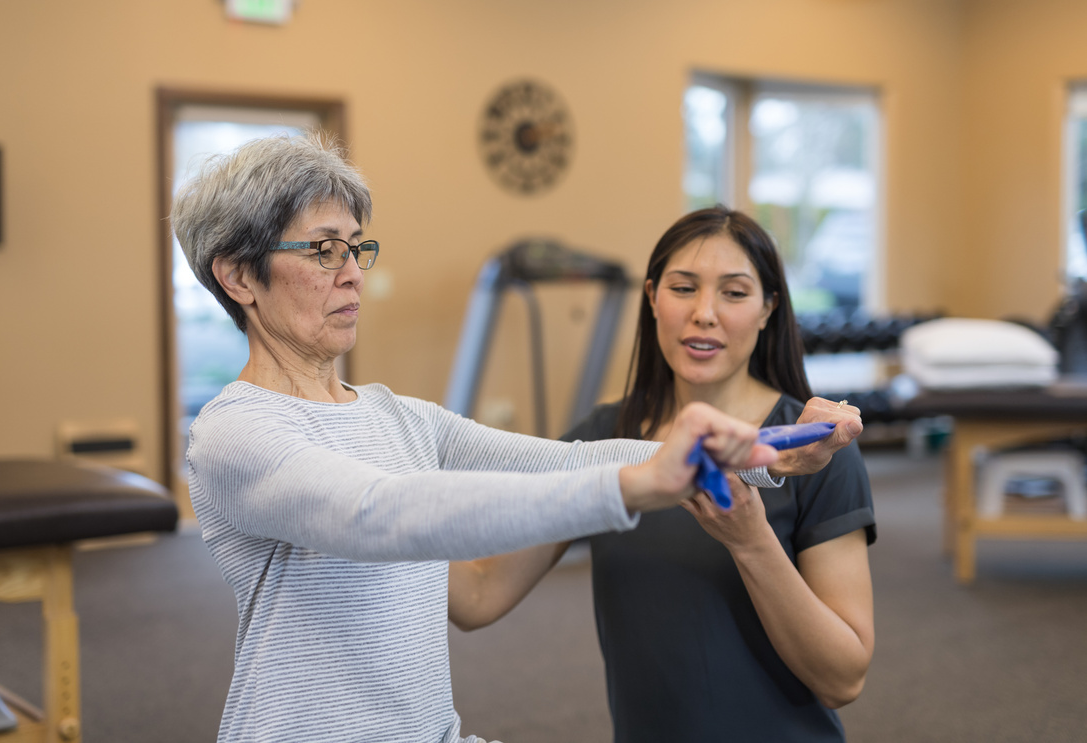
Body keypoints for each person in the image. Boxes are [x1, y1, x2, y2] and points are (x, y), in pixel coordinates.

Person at [169, 133, 782, 743]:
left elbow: (560, 462)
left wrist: (768, 454)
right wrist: (638, 486)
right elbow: (378, 515)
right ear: (240, 277)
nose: (353, 274)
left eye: (357, 250)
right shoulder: (234, 432)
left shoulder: (400, 416)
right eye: (326, 251)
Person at [561, 206, 876, 741]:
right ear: (653, 296)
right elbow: (479, 599)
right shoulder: (600, 437)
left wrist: (751, 540)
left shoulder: (818, 449)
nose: (705, 313)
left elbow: (843, 678)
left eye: (733, 293)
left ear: (767, 308)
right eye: (684, 288)